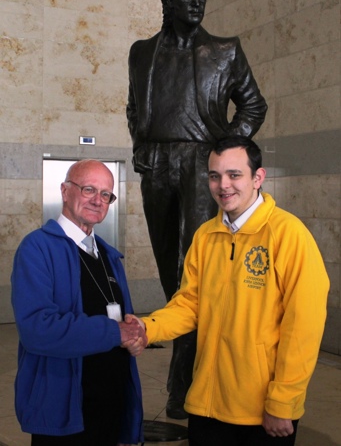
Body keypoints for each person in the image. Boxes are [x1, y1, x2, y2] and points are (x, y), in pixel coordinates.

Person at [126, 0, 268, 418]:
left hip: (200, 166)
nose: (197, 2)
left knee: (194, 269)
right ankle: (189, 362)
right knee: (172, 272)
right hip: (157, 166)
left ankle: (182, 381)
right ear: (168, 1)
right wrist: (141, 142)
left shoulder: (225, 50)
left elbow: (253, 103)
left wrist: (225, 151)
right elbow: (134, 107)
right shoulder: (141, 52)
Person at [132, 136, 329, 445]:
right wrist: (148, 327)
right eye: (214, 175)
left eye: (234, 174)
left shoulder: (289, 236)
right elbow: (188, 305)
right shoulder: (206, 236)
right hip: (206, 405)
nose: (223, 185)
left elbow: (303, 328)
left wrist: (283, 402)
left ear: (257, 177)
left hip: (260, 412)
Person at [11, 159, 146, 446]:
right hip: (64, 411)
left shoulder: (110, 257)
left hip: (111, 407)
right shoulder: (37, 248)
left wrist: (135, 333)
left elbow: (122, 321)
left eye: (106, 194)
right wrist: (115, 332)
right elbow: (37, 329)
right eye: (88, 189)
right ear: (65, 190)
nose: (98, 200)